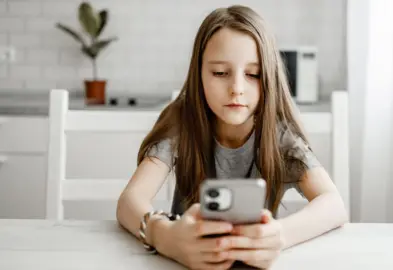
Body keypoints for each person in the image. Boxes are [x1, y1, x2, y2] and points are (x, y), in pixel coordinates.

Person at [116, 5, 348, 270]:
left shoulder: (280, 135)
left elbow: (334, 204)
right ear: (198, 74)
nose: (236, 88)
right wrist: (165, 236)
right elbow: (129, 201)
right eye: (219, 73)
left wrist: (278, 236)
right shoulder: (182, 121)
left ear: (269, 78)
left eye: (253, 74)